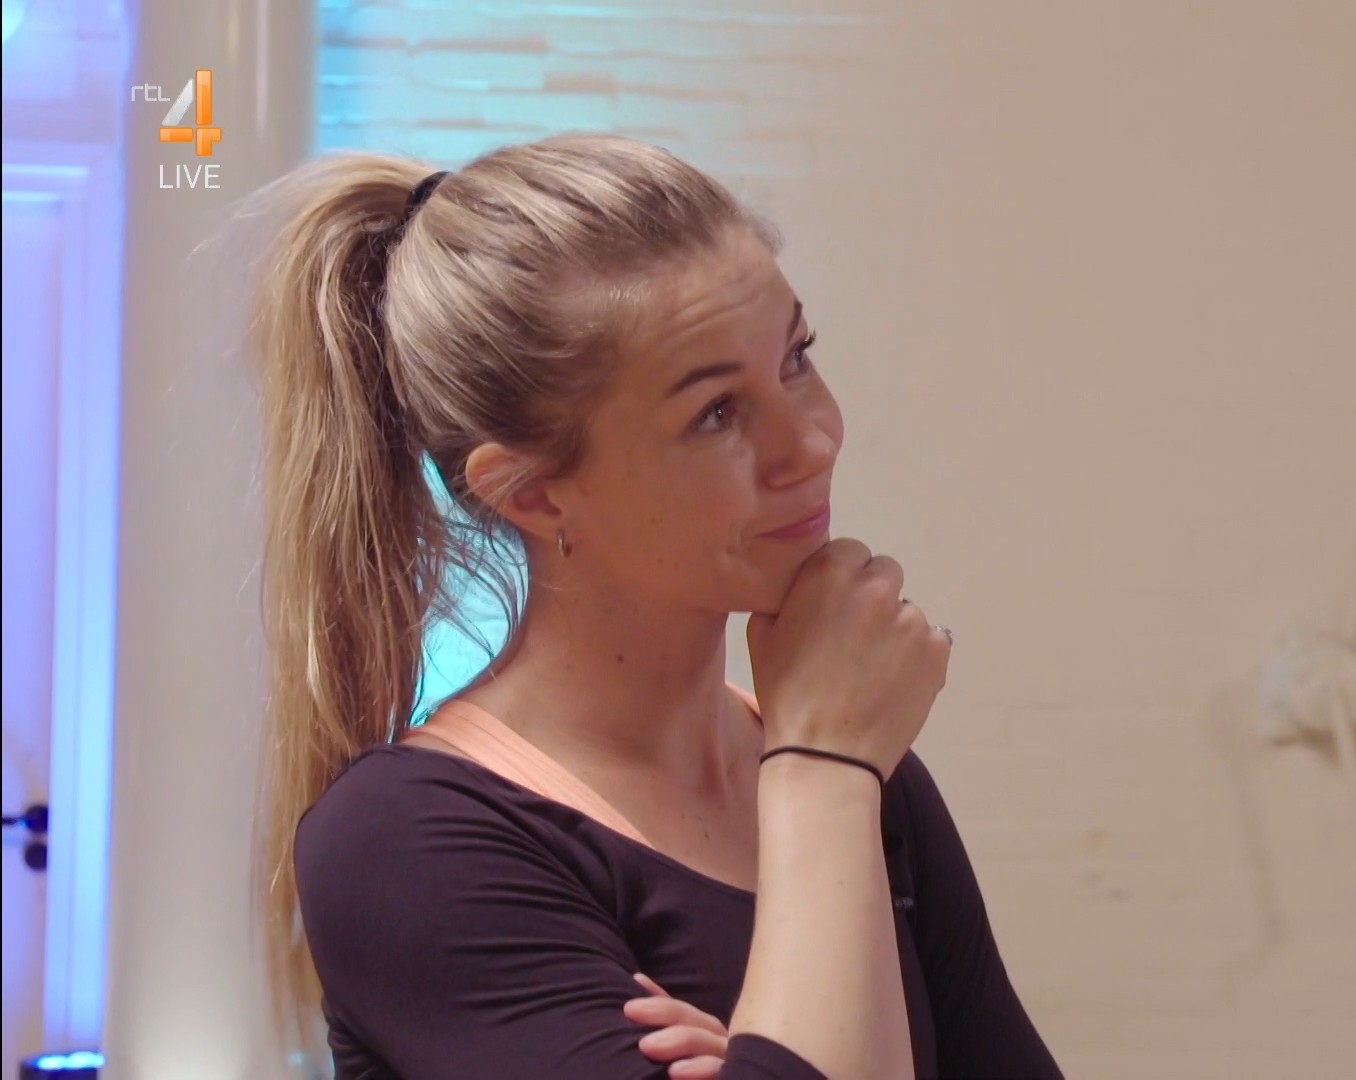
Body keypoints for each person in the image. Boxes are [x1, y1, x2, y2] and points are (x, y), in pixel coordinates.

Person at [246, 133, 1061, 1080]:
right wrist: (823, 771)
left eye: (796, 359)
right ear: (534, 493)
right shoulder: (406, 840)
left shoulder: (873, 782)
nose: (813, 443)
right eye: (716, 413)